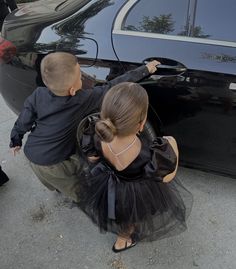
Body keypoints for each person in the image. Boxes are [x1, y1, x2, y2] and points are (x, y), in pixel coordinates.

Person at [9, 52, 159, 202]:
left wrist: (15, 139)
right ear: (72, 90)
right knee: (74, 186)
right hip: (55, 162)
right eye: (80, 76)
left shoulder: (38, 94)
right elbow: (112, 87)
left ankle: (54, 187)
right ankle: (83, 200)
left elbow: (24, 120)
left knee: (48, 177)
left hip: (31, 151)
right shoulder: (82, 99)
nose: (82, 77)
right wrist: (145, 70)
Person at [77, 82, 192, 253]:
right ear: (141, 123)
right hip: (136, 195)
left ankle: (121, 240)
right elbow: (166, 177)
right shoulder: (147, 153)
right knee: (133, 216)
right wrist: (172, 146)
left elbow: (92, 158)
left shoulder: (95, 132)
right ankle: (123, 240)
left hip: (107, 185)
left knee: (117, 213)